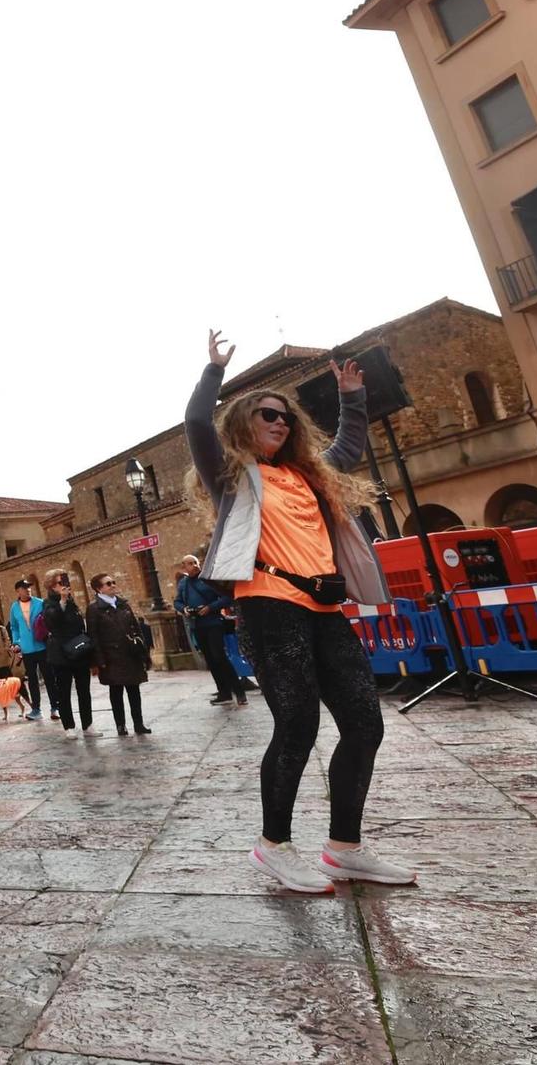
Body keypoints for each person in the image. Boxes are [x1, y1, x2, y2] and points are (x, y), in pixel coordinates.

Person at [187, 330, 414, 894]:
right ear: (244, 423)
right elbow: (195, 424)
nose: (281, 422)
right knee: (297, 723)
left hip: (323, 607)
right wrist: (212, 372)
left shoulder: (309, 474)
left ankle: (344, 849)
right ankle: (274, 846)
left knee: (365, 723)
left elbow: (348, 448)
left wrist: (352, 398)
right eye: (268, 414)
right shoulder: (235, 477)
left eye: (286, 416)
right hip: (268, 608)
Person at [86, 573, 152, 736]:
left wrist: (144, 652)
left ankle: (139, 723)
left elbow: (136, 628)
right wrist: (99, 660)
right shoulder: (94, 609)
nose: (113, 585)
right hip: (111, 656)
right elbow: (93, 636)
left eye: (113, 582)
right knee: (116, 691)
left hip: (130, 653)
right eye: (108, 584)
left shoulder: (123, 604)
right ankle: (120, 725)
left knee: (134, 689)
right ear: (99, 589)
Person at [176, 555, 244, 706]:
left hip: (213, 623)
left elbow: (226, 597)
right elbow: (177, 602)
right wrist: (185, 609)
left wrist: (209, 608)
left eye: (196, 562)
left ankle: (239, 692)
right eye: (190, 564)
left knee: (220, 657)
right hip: (197, 625)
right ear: (184, 567)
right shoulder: (183, 584)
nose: (194, 565)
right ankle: (224, 693)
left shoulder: (209, 579)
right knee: (211, 661)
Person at [42, 571, 96, 738]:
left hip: (78, 650)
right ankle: (69, 726)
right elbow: (52, 621)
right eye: (60, 582)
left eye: (65, 582)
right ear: (52, 586)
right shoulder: (48, 603)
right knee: (64, 692)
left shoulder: (72, 602)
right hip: (60, 654)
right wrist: (63, 601)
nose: (65, 585)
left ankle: (88, 725)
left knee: (84, 690)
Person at [6, 579, 46, 722]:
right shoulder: (14, 607)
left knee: (49, 677)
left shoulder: (40, 603)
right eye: (24, 587)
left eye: (29, 587)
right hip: (27, 649)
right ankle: (36, 709)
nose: (28, 589)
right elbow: (14, 627)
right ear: (18, 591)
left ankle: (55, 706)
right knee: (33, 680)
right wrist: (17, 642)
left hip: (42, 646)